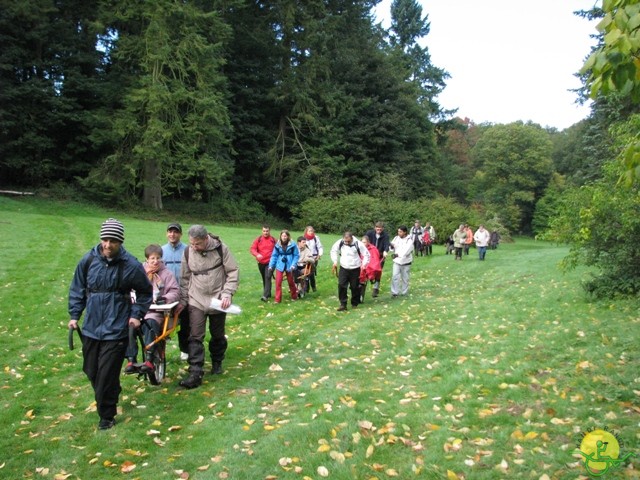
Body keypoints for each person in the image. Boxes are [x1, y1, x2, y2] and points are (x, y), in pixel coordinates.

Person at [68, 218, 153, 429]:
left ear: (120, 242)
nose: (107, 245)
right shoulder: (88, 260)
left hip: (116, 329)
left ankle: (106, 416)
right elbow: (77, 288)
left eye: (113, 241)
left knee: (106, 375)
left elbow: (145, 292)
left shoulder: (131, 265)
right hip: (91, 326)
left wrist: (136, 314)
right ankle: (111, 392)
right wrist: (74, 315)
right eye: (105, 239)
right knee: (91, 370)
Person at [177, 225, 239, 389]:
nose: (194, 247)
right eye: (191, 243)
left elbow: (232, 272)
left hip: (218, 298)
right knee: (195, 335)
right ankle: (195, 372)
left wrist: (227, 293)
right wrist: (184, 299)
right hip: (196, 298)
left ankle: (217, 361)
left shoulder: (221, 249)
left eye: (197, 244)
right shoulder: (188, 252)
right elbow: (184, 277)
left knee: (217, 334)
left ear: (206, 239)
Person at [125, 244, 180, 374]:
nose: (155, 261)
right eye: (152, 259)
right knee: (130, 326)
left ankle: (149, 358)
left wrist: (165, 299)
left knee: (150, 324)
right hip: (139, 310)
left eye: (158, 258)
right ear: (147, 260)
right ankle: (131, 359)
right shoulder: (139, 272)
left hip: (156, 311)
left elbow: (175, 291)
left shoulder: (166, 274)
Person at [161, 222, 190, 361]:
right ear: (167, 233)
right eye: (170, 232)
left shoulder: (187, 250)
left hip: (184, 293)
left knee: (185, 324)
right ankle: (160, 352)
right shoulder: (161, 251)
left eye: (175, 232)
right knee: (163, 324)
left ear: (180, 234)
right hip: (167, 295)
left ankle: (185, 350)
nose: (172, 234)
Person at [330, 231, 370, 311]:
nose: (347, 242)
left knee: (354, 287)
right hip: (343, 267)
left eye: (349, 241)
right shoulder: (340, 242)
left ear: (352, 238)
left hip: (355, 268)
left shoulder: (358, 244)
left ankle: (354, 303)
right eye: (346, 241)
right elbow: (333, 250)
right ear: (343, 238)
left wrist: (364, 264)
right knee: (341, 285)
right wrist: (335, 261)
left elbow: (367, 254)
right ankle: (343, 304)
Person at [268, 230, 299, 304]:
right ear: (280, 236)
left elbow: (296, 255)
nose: (284, 237)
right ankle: (277, 300)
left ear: (288, 236)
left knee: (291, 282)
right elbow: (274, 256)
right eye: (282, 236)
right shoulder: (277, 244)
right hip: (280, 264)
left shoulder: (293, 244)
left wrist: (293, 265)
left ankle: (294, 296)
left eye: (285, 236)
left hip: (289, 264)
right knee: (278, 282)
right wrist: (271, 265)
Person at [249, 224, 277, 302]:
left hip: (270, 262)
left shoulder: (273, 240)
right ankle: (268, 292)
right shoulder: (258, 239)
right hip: (261, 262)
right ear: (262, 231)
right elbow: (252, 249)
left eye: (267, 231)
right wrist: (257, 254)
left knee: (268, 276)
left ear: (269, 231)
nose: (265, 233)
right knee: (265, 278)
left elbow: (279, 248)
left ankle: (265, 296)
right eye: (264, 231)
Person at [365, 221, 390, 297]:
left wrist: (385, 251)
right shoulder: (369, 233)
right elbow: (364, 241)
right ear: (375, 228)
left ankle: (376, 288)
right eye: (377, 229)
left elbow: (386, 244)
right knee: (366, 270)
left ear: (382, 229)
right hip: (370, 255)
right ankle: (362, 287)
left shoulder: (385, 235)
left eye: (380, 229)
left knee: (378, 272)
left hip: (380, 256)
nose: (379, 230)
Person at [389, 225, 413, 297]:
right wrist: (391, 247)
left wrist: (397, 255)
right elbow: (392, 247)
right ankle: (394, 292)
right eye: (398, 231)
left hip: (406, 262)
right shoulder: (396, 238)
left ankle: (404, 292)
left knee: (405, 278)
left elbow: (406, 252)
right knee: (395, 276)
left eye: (400, 232)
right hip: (397, 261)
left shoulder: (409, 241)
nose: (399, 233)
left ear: (405, 232)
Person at [359, 235, 381, 303]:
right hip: (358, 268)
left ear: (368, 242)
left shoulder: (373, 249)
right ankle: (357, 297)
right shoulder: (358, 248)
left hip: (367, 270)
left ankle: (360, 298)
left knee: (362, 284)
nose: (363, 244)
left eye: (364, 242)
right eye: (362, 242)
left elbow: (375, 261)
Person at [303, 226, 323, 292]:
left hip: (314, 258)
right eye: (309, 231)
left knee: (311, 273)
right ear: (306, 231)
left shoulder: (316, 238)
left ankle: (313, 287)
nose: (311, 232)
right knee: (306, 273)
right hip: (306, 258)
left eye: (312, 231)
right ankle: (307, 289)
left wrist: (319, 255)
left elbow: (320, 247)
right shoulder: (303, 239)